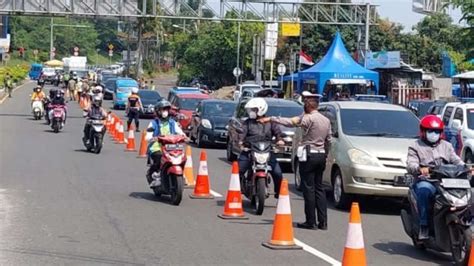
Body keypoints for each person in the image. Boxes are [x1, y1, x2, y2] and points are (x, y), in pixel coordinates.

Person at [260, 91, 331, 230]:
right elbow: (328, 140)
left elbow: (290, 122)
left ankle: (311, 221)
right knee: (319, 188)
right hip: (321, 155)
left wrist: (271, 119)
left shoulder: (307, 119)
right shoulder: (326, 120)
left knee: (308, 188)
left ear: (307, 107)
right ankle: (323, 222)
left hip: (309, 155)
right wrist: (325, 154)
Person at [406, 115, 465, 240]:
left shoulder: (447, 146)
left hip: (446, 181)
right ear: (423, 131)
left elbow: (456, 160)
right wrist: (419, 168)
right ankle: (424, 226)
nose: (434, 134)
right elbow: (411, 164)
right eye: (431, 131)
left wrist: (466, 167)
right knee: (424, 191)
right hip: (427, 181)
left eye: (437, 131)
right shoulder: (415, 146)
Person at [238, 97, 284, 199]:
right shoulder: (247, 123)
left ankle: (278, 192)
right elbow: (242, 133)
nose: (251, 112)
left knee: (278, 173)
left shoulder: (270, 122)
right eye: (251, 110)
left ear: (261, 109)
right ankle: (240, 188)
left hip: (267, 151)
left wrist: (280, 140)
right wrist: (241, 142)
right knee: (239, 170)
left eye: (254, 109)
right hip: (249, 150)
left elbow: (278, 133)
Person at [145, 100, 186, 186]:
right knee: (159, 157)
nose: (165, 112)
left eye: (166, 110)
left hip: (171, 146)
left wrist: (184, 136)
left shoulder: (172, 123)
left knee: (182, 157)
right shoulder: (154, 123)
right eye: (162, 110)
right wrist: (152, 138)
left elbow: (180, 132)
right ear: (158, 111)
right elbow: (148, 135)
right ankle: (156, 176)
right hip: (157, 147)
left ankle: (182, 175)